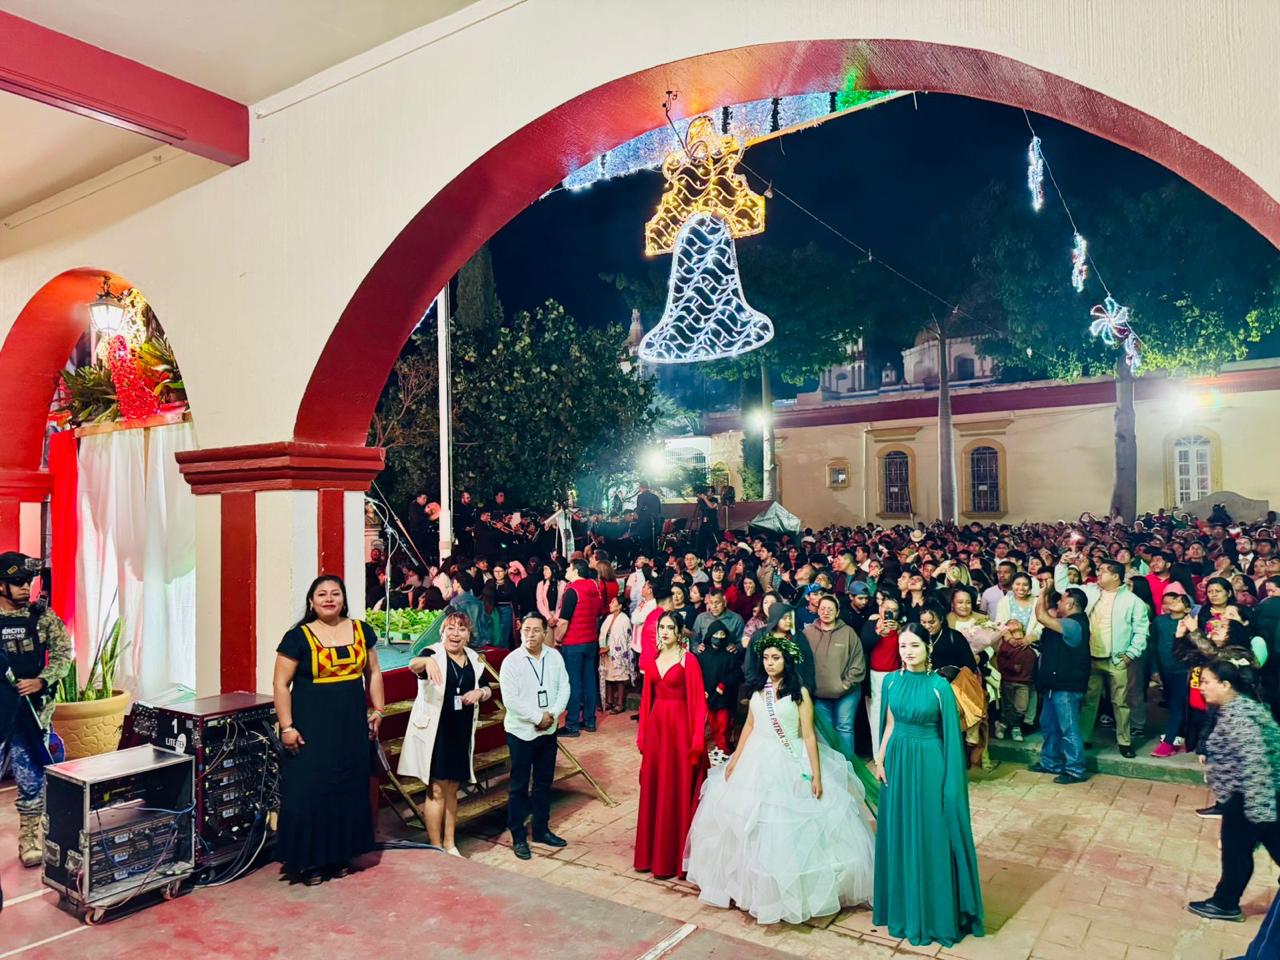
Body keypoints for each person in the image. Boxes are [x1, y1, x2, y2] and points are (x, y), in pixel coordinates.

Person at [684, 633, 874, 924]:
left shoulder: (800, 693)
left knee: (788, 826)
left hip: (789, 758)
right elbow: (748, 726)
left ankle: (792, 890)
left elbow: (808, 734)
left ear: (787, 661)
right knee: (749, 823)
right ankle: (750, 887)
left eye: (776, 658)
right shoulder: (758, 691)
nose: (770, 663)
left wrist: (816, 774)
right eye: (766, 658)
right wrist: (735, 759)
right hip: (756, 758)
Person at [873, 626, 985, 947]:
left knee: (930, 832)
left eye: (915, 645)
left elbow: (951, 737)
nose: (908, 651)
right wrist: (880, 759)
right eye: (903, 645)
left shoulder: (940, 687)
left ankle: (933, 912)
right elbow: (890, 723)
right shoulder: (892, 681)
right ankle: (903, 909)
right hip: (897, 761)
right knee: (899, 832)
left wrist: (950, 781)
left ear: (927, 649)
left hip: (930, 762)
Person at [273, 575, 385, 883]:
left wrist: (378, 709)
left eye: (335, 593)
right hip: (310, 727)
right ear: (311, 601)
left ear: (344, 599)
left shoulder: (362, 631)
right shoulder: (297, 637)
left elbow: (373, 672)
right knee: (308, 792)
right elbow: (281, 684)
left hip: (350, 727)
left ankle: (338, 855)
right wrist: (287, 726)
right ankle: (308, 862)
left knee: (346, 789)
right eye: (321, 594)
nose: (328, 598)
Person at [1187, 658, 1280, 922]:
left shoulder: (1238, 718)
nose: (1201, 687)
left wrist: (1257, 809)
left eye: (1206, 682)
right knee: (1274, 841)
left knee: (1236, 851)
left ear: (1225, 684)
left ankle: (1225, 903)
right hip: (1266, 792)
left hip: (1251, 795)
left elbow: (1255, 762)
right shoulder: (1241, 707)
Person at [398, 611, 493, 857]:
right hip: (437, 731)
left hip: (460, 729)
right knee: (437, 789)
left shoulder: (473, 658)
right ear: (442, 633)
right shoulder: (432, 653)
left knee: (453, 788)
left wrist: (481, 693)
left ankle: (451, 844)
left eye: (461, 629)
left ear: (468, 635)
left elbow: (486, 687)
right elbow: (413, 665)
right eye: (450, 628)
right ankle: (435, 846)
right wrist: (427, 663)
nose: (455, 634)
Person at [0, 552, 71, 869]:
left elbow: (63, 654)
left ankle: (29, 841)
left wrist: (42, 681)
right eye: (17, 583)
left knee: (31, 782)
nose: (26, 588)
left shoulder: (42, 617)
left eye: (28, 581)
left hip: (31, 714)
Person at [635, 611, 708, 879]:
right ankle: (651, 857)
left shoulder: (688, 661)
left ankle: (675, 859)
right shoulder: (653, 659)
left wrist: (697, 738)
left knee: (675, 789)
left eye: (669, 627)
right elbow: (645, 701)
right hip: (657, 729)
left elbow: (698, 703)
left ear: (680, 632)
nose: (664, 632)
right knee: (656, 787)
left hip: (680, 730)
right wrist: (642, 734)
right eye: (661, 627)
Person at [499, 613, 570, 861]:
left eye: (536, 630)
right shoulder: (511, 662)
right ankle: (518, 836)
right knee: (518, 786)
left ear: (544, 632)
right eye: (526, 629)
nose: (530, 634)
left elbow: (565, 687)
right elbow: (511, 700)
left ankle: (541, 829)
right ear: (520, 631)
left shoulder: (554, 657)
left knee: (543, 783)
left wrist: (552, 714)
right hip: (521, 732)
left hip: (548, 730)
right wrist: (537, 718)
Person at [1029, 586, 1091, 784]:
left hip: (1067, 686)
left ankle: (1075, 770)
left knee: (1069, 729)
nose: (1058, 603)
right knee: (1049, 726)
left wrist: (1043, 592)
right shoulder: (1064, 623)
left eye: (1062, 600)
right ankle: (1050, 763)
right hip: (1053, 684)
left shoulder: (1075, 624)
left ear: (1071, 604)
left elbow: (1041, 615)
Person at [803, 593, 865, 761]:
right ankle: (833, 774)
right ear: (817, 611)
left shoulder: (848, 633)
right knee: (826, 732)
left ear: (837, 612)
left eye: (830, 609)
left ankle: (849, 772)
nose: (826, 612)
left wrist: (845, 685)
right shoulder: (807, 632)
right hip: (819, 695)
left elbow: (858, 664)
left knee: (844, 729)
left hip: (846, 694)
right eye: (822, 608)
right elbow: (800, 661)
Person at [560, 559, 604, 736]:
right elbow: (598, 613)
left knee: (573, 683)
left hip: (573, 642)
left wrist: (557, 638)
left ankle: (572, 724)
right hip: (590, 641)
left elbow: (564, 621)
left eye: (569, 568)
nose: (566, 570)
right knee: (589, 681)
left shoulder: (572, 591)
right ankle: (590, 721)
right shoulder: (595, 589)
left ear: (576, 571)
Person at [694, 619, 742, 757]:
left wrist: (724, 683)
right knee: (710, 723)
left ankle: (723, 749)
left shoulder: (730, 654)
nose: (719, 638)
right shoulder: (703, 654)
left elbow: (737, 673)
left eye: (722, 635)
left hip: (724, 698)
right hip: (707, 696)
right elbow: (697, 673)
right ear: (710, 635)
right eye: (716, 634)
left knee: (723, 725)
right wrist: (701, 690)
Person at [599, 594, 633, 715]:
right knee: (608, 676)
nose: (610, 604)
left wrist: (611, 648)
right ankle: (609, 701)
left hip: (620, 653)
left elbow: (625, 638)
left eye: (613, 603)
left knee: (620, 678)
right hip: (606, 652)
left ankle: (620, 704)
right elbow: (603, 633)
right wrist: (603, 647)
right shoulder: (608, 618)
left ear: (619, 606)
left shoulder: (625, 619)